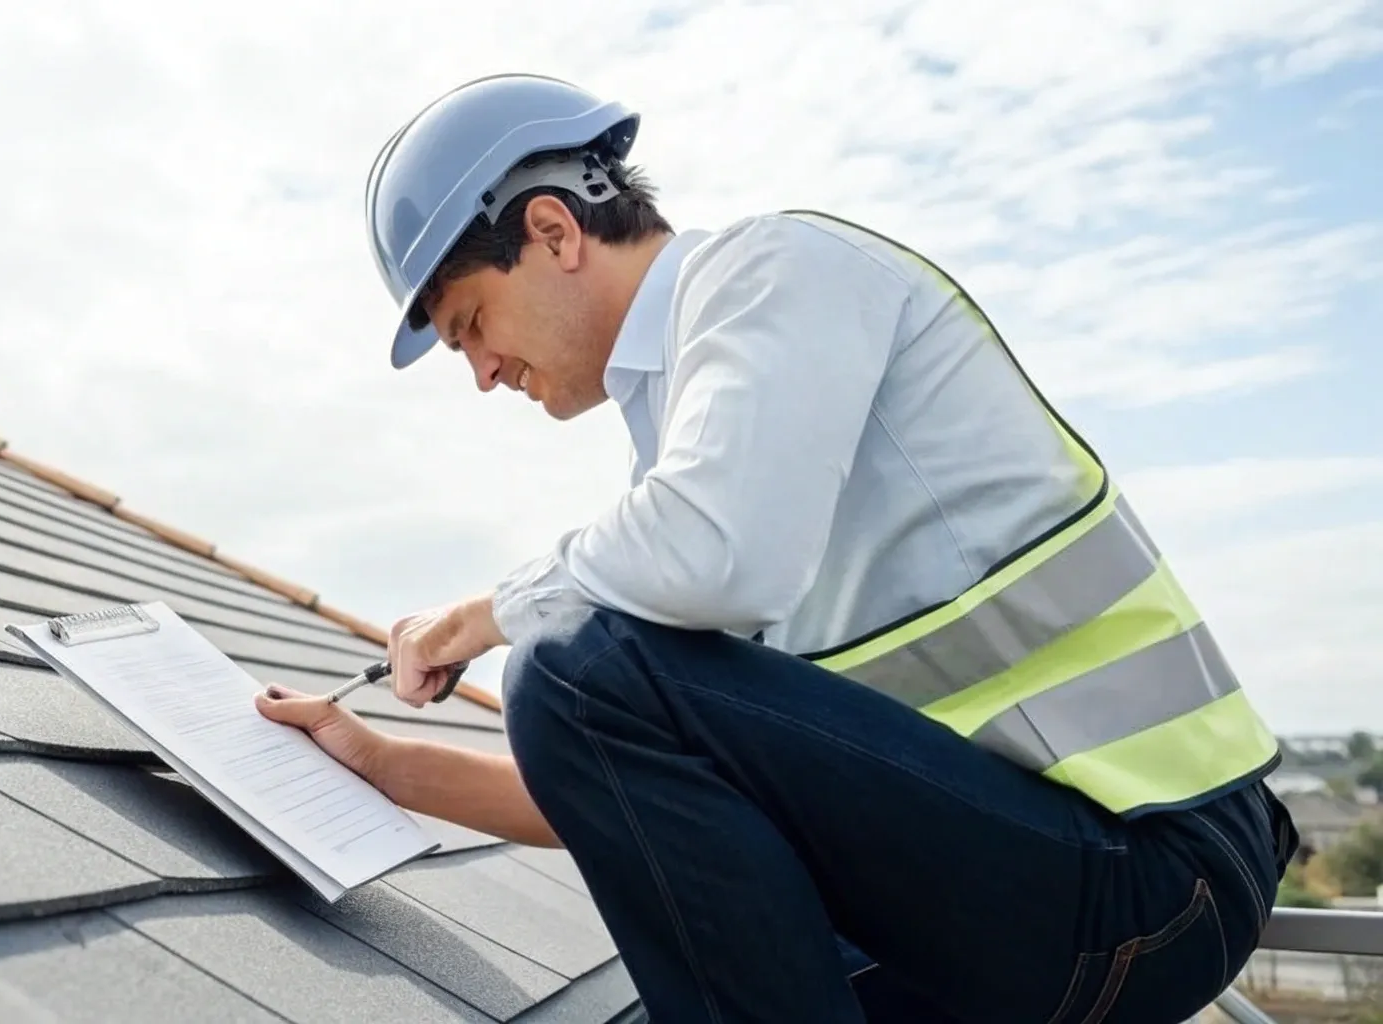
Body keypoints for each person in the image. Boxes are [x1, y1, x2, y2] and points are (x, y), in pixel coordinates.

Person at [254, 73, 1300, 1023]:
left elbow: (683, 585)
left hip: (1155, 867)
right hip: (1036, 881)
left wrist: (488, 613)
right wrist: (384, 765)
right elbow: (626, 798)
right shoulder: (695, 465)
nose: (480, 371)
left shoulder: (773, 275)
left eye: (471, 321)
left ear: (552, 230)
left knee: (568, 661)